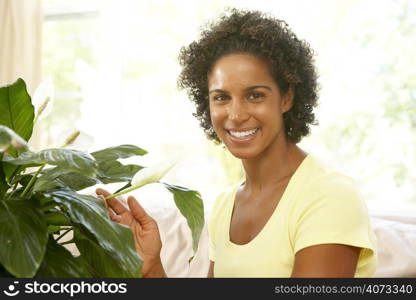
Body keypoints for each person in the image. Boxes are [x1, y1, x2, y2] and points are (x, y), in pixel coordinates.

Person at [96, 8, 377, 278]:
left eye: (255, 95)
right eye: (221, 97)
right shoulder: (226, 205)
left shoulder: (329, 197)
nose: (236, 114)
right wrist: (151, 268)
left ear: (287, 97)